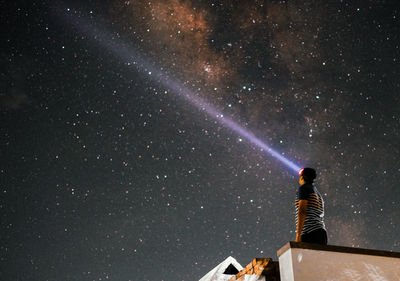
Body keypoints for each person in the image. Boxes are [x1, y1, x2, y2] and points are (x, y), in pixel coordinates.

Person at [295, 167, 327, 244]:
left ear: (302, 178)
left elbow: (302, 210)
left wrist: (298, 234)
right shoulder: (317, 193)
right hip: (321, 232)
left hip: (309, 232)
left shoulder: (303, 188)